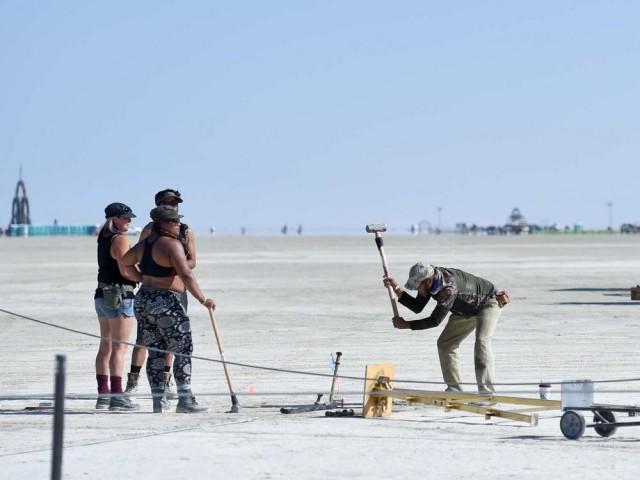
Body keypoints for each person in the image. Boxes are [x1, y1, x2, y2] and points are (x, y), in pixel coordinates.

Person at [119, 205, 215, 413]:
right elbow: (187, 274)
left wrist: (141, 278)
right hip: (166, 302)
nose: (178, 224)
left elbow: (124, 262)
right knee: (183, 348)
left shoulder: (144, 244)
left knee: (156, 351)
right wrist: (202, 299)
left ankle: (158, 401)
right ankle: (185, 400)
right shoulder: (172, 245)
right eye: (174, 221)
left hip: (144, 300)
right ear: (163, 224)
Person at [384, 262, 508, 395]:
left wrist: (406, 325)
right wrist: (395, 287)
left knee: (482, 341)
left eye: (417, 286)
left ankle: (487, 393)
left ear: (429, 280)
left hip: (488, 302)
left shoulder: (448, 288)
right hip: (465, 309)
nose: (415, 289)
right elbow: (417, 306)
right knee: (445, 344)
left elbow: (434, 320)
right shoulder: (430, 283)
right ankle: (454, 390)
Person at [124, 189, 197, 400]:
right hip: (153, 290)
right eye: (167, 203)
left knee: (173, 339)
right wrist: (143, 276)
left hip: (176, 290)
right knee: (145, 340)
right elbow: (140, 255)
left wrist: (176, 264)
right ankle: (133, 381)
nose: (172, 206)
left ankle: (166, 382)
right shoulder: (149, 230)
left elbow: (192, 261)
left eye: (175, 203)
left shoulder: (185, 231)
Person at [94, 202, 140, 411]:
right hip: (119, 296)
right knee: (119, 348)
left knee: (106, 347)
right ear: (114, 219)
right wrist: (142, 278)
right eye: (126, 218)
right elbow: (125, 269)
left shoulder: (103, 238)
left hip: (101, 295)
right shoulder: (120, 239)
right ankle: (117, 397)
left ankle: (103, 395)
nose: (129, 221)